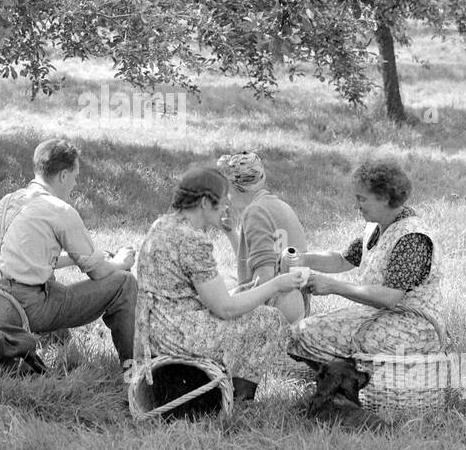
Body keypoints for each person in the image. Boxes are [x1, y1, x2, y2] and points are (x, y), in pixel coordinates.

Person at [135, 165, 301, 385]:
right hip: (176, 334)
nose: (226, 207)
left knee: (246, 294)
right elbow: (225, 308)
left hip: (155, 328)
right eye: (223, 201)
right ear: (205, 203)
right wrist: (276, 284)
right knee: (270, 319)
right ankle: (240, 395)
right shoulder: (192, 239)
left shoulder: (163, 225)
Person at [0, 138, 137, 365]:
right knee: (124, 283)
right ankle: (133, 369)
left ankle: (56, 342)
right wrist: (120, 262)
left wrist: (72, 258)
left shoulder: (7, 201)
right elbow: (99, 272)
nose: (75, 183)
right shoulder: (59, 209)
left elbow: (26, 259)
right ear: (63, 176)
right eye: (75, 176)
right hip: (22, 308)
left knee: (50, 282)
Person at [289, 158, 445, 369]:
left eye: (362, 199)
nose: (357, 205)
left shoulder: (412, 238)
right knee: (303, 331)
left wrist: (333, 286)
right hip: (386, 319)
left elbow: (389, 297)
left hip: (414, 329)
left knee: (306, 333)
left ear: (384, 198)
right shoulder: (379, 227)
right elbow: (342, 260)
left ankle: (348, 383)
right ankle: (342, 382)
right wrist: (301, 258)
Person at [216, 151, 310, 323]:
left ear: (236, 187)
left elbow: (264, 278)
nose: (226, 197)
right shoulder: (280, 205)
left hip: (276, 311)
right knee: (225, 281)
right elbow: (257, 259)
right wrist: (231, 233)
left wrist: (229, 301)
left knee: (214, 299)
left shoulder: (255, 212)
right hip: (298, 307)